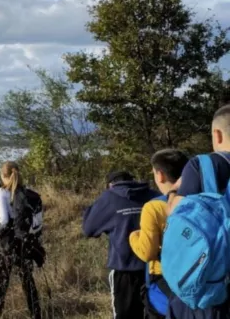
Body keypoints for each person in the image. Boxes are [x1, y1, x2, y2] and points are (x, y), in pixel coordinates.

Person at [164, 105, 230, 319]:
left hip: (209, 290)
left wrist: (173, 191)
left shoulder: (203, 165)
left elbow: (174, 214)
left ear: (217, 134)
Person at [82, 171, 159, 319]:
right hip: (155, 268)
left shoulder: (109, 198)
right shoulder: (153, 195)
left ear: (110, 185)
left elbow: (88, 229)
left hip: (124, 269)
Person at [129, 149, 188, 319]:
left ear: (160, 175)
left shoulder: (154, 207)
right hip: (198, 280)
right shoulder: (203, 199)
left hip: (164, 283)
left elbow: (147, 252)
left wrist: (133, 237)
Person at [0, 161, 41, 319]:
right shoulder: (27, 191)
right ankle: (36, 313)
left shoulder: (2, 191)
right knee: (26, 276)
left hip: (9, 239)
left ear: (3, 175)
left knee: (3, 274)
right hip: (24, 237)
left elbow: (4, 220)